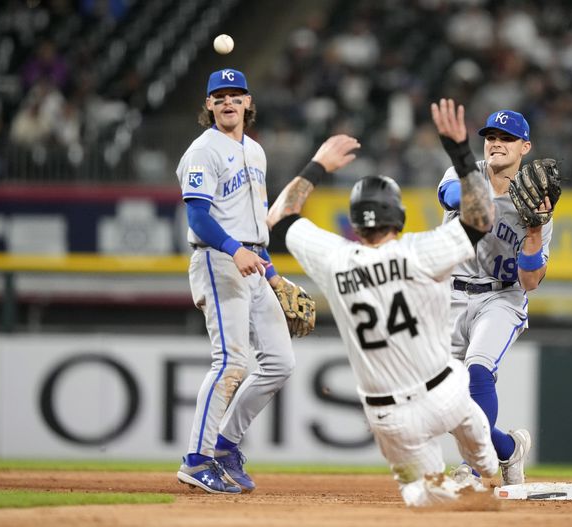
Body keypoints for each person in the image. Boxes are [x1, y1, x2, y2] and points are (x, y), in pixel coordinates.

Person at [266, 99, 499, 507]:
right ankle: (488, 472)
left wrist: (317, 165)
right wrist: (461, 152)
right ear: (399, 215)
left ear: (355, 222)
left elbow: (279, 216)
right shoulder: (421, 252)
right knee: (482, 451)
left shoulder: (335, 259)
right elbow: (482, 218)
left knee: (421, 493)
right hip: (445, 395)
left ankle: (442, 492)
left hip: (388, 418)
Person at [175, 68, 300, 494]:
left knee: (280, 363)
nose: (228, 101)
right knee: (230, 362)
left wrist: (273, 273)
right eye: (220, 96)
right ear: (208, 105)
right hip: (219, 259)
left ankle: (225, 445)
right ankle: (196, 460)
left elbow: (254, 226)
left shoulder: (256, 151)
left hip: (253, 261)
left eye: (235, 95)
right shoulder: (202, 151)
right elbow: (197, 217)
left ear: (248, 103)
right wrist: (234, 250)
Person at [436, 109, 554, 486]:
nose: (496, 144)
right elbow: (449, 195)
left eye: (506, 138)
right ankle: (507, 448)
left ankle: (472, 470)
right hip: (452, 295)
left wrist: (533, 232)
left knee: (478, 370)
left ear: (525, 147)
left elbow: (530, 281)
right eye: (491, 137)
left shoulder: (537, 207)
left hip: (501, 298)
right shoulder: (465, 173)